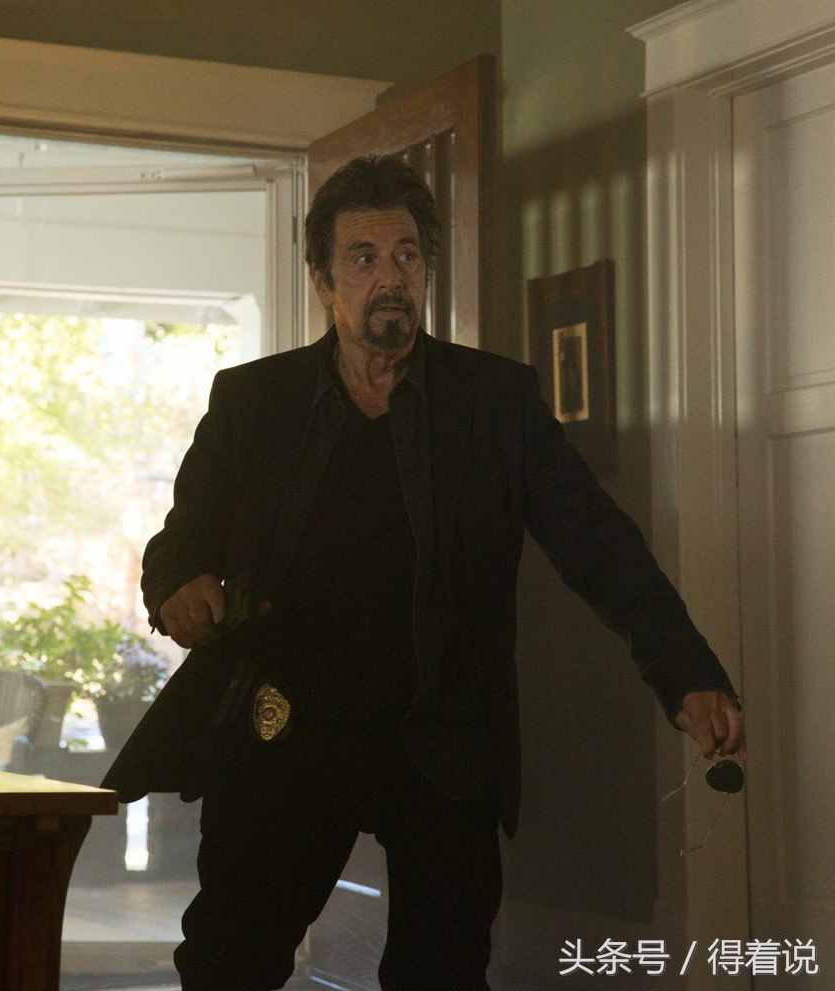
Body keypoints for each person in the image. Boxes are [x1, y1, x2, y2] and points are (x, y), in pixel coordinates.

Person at [101, 155, 745, 990]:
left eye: (406, 254)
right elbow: (179, 543)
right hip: (287, 728)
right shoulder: (254, 401)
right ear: (323, 281)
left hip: (441, 734)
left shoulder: (496, 403)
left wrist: (686, 671)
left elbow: (601, 546)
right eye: (364, 257)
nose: (390, 276)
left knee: (443, 972)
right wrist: (178, 586)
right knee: (229, 960)